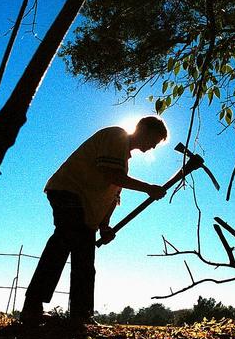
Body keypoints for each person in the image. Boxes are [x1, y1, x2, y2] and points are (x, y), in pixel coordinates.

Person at [21, 116, 169, 326]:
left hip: (85, 209)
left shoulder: (123, 161)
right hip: (68, 192)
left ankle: (80, 315)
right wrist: (148, 188)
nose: (152, 147)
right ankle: (34, 309)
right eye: (154, 140)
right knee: (63, 244)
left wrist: (104, 226)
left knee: (83, 259)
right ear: (142, 128)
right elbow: (111, 175)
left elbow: (111, 196)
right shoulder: (115, 136)